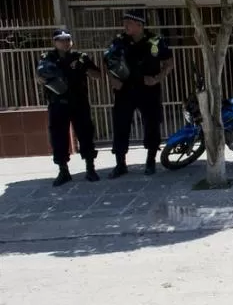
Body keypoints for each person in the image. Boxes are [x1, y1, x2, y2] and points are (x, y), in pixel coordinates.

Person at [104, 10, 174, 178]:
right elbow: (107, 61)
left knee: (152, 124)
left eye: (129, 22)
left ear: (140, 25)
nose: (125, 25)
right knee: (121, 125)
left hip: (148, 89)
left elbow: (169, 63)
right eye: (124, 22)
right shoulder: (119, 41)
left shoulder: (155, 41)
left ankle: (151, 161)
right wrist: (111, 79)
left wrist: (157, 78)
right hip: (125, 89)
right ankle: (120, 163)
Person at [35, 28, 101, 186]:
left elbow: (98, 75)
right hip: (58, 103)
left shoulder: (81, 57)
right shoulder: (47, 57)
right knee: (58, 136)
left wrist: (85, 67)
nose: (65, 43)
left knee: (85, 133)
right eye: (61, 40)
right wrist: (45, 78)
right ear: (55, 42)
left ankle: (90, 168)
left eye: (67, 39)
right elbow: (38, 77)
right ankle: (63, 171)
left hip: (79, 102)